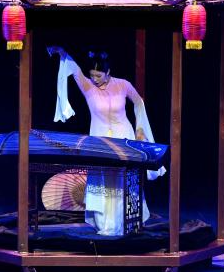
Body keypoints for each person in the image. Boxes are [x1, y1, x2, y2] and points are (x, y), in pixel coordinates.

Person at [47, 46, 166, 235]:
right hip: (100, 139)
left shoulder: (123, 85)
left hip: (123, 136)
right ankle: (105, 224)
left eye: (98, 75)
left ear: (108, 72)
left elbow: (138, 102)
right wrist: (62, 53)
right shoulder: (87, 86)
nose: (95, 79)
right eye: (92, 75)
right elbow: (74, 69)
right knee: (103, 181)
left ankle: (128, 221)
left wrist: (140, 129)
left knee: (124, 179)